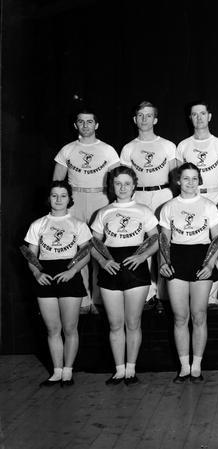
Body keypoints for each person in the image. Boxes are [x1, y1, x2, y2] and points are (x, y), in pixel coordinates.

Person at [91, 166, 159, 385]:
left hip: (135, 270)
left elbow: (158, 240)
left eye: (127, 183)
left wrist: (142, 257)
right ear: (112, 186)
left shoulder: (143, 210)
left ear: (134, 186)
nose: (122, 188)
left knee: (133, 322)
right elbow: (93, 244)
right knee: (115, 323)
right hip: (111, 270)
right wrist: (103, 261)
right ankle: (119, 370)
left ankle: (131, 369)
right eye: (118, 183)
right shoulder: (103, 212)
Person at [24, 180, 92, 386]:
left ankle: (68, 371)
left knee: (70, 328)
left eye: (63, 196)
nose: (59, 199)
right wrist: (37, 274)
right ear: (49, 198)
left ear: (70, 199)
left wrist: (71, 272)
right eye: (54, 195)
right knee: (53, 328)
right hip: (46, 278)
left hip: (69, 277)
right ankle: (56, 371)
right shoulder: (38, 224)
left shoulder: (78, 224)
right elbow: (31, 255)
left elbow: (86, 254)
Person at [53, 108, 120, 314]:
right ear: (76, 125)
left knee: (99, 246)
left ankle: (99, 299)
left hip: (100, 198)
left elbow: (117, 179)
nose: (85, 125)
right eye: (81, 122)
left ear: (96, 125)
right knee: (77, 247)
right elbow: (57, 181)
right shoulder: (67, 149)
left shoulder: (107, 150)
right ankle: (82, 300)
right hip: (75, 199)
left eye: (89, 122)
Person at [158, 163, 218, 383]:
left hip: (201, 258)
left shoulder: (208, 206)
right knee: (180, 316)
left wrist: (211, 264)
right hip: (177, 259)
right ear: (178, 181)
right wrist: (164, 262)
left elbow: (217, 239)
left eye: (195, 178)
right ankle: (184, 366)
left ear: (199, 180)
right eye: (186, 178)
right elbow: (164, 240)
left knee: (199, 315)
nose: (190, 183)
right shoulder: (168, 207)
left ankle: (197, 365)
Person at [120, 101, 177, 313]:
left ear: (155, 119)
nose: (144, 120)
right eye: (140, 116)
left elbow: (174, 176)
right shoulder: (129, 148)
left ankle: (163, 293)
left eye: (149, 115)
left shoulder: (168, 145)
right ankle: (148, 293)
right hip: (139, 196)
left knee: (163, 242)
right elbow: (123, 179)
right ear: (135, 120)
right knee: (142, 243)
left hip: (162, 194)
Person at [176, 101, 218, 307]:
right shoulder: (183, 145)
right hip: (192, 197)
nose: (199, 118)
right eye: (194, 114)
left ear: (209, 116)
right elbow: (179, 175)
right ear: (190, 118)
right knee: (194, 240)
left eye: (202, 113)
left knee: (216, 242)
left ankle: (213, 295)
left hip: (214, 196)